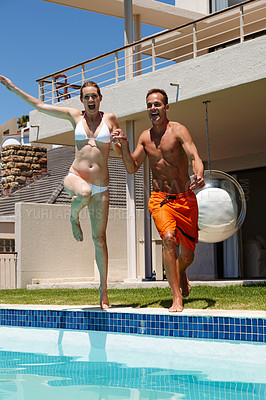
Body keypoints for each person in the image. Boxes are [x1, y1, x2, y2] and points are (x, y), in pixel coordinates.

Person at [0, 75, 121, 310]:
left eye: (94, 96)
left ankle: (103, 290)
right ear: (82, 100)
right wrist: (14, 89)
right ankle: (73, 216)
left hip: (102, 185)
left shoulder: (111, 119)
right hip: (75, 178)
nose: (90, 100)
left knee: (100, 239)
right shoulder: (74, 116)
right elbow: (41, 106)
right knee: (84, 192)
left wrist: (119, 142)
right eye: (86, 97)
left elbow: (117, 146)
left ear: (100, 98)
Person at [112, 88, 205, 312]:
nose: (153, 108)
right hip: (160, 199)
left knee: (188, 254)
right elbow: (131, 167)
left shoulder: (178, 130)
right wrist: (124, 146)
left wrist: (199, 174)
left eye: (157, 104)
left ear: (166, 107)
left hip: (184, 198)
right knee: (169, 239)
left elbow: (195, 156)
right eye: (149, 105)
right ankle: (176, 298)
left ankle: (181, 271)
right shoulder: (145, 138)